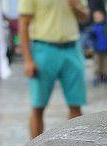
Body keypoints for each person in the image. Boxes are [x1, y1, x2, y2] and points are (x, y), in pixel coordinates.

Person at [18, 0, 89, 138]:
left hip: (72, 49)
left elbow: (85, 16)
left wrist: (75, 5)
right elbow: (23, 24)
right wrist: (28, 60)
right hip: (43, 49)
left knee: (76, 104)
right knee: (38, 105)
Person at [87, 9, 107, 84]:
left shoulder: (106, 26)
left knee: (105, 64)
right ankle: (97, 77)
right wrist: (90, 46)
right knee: (97, 64)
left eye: (100, 16)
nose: (98, 18)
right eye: (96, 17)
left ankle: (105, 77)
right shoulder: (93, 28)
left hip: (105, 48)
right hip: (96, 49)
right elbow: (90, 39)